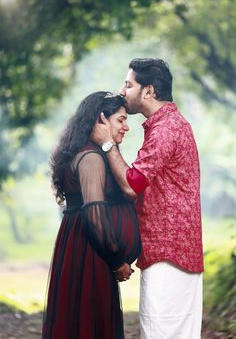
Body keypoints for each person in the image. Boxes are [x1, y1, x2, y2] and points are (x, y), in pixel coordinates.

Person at [92, 58, 204, 339]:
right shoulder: (168, 125)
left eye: (128, 85)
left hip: (169, 254)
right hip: (175, 251)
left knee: (160, 332)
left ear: (149, 91)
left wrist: (108, 144)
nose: (122, 91)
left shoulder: (166, 129)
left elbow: (132, 186)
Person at [42, 91, 141, 339]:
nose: (126, 127)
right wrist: (117, 260)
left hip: (87, 248)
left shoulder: (94, 153)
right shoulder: (91, 158)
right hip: (91, 252)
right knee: (90, 321)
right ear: (101, 120)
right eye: (121, 120)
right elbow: (94, 215)